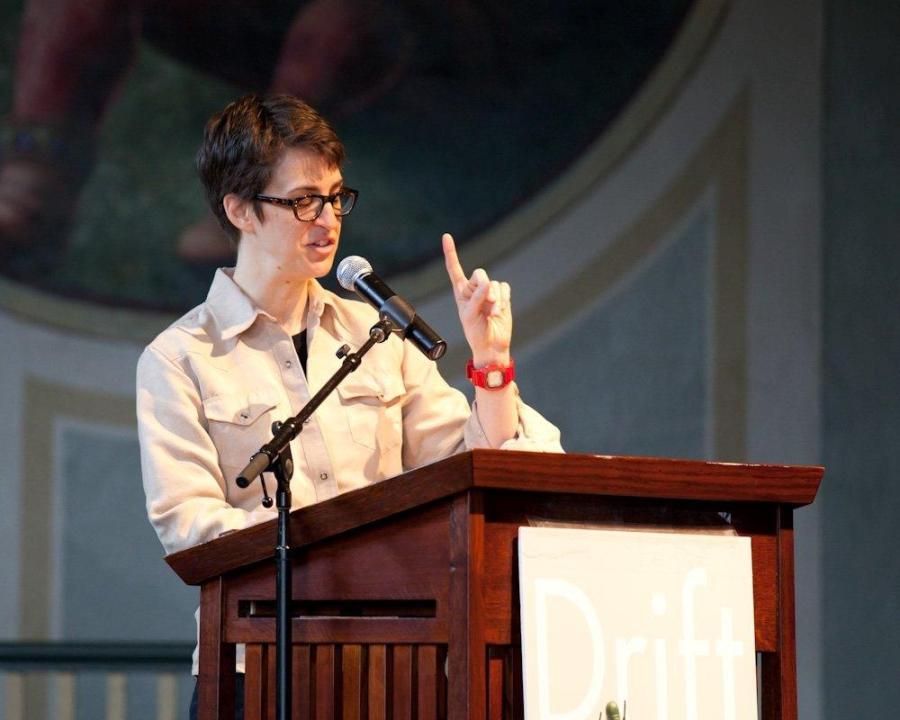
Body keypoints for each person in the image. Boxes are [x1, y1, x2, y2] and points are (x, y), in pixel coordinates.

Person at [136, 93, 562, 717]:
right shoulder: (180, 358)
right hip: (254, 667)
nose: (328, 219)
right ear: (240, 210)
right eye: (304, 200)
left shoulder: (378, 334)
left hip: (390, 665)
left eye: (337, 197)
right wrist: (342, 553)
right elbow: (189, 529)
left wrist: (491, 365)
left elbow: (482, 466)